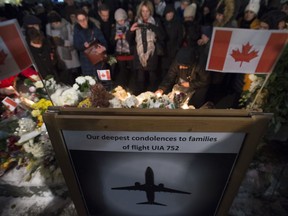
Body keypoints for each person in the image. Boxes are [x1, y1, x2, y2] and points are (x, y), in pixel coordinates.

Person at [127, 0, 166, 94]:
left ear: (150, 11)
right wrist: (131, 31)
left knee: (153, 78)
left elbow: (163, 36)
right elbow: (129, 40)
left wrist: (151, 26)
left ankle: (152, 100)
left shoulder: (156, 21)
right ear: (140, 11)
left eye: (147, 11)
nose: (145, 13)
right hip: (139, 54)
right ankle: (140, 101)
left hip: (151, 54)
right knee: (140, 79)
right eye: (143, 11)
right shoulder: (136, 21)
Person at [46, 11, 81, 85]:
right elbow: (49, 40)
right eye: (53, 24)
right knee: (66, 73)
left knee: (74, 72)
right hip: (59, 53)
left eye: (57, 23)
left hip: (70, 52)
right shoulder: (49, 27)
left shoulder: (67, 25)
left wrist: (63, 42)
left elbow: (72, 39)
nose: (55, 25)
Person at [73, 9, 107, 77]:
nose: (83, 22)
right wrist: (83, 46)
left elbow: (103, 41)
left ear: (87, 18)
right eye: (80, 20)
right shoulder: (77, 30)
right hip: (86, 61)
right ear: (77, 21)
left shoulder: (94, 28)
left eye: (84, 19)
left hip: (99, 59)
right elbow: (76, 45)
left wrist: (103, 47)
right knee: (90, 82)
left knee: (103, 80)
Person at [111, 8, 133, 88]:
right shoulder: (115, 28)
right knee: (122, 72)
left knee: (131, 72)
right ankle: (123, 88)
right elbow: (111, 42)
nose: (121, 22)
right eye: (119, 21)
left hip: (130, 52)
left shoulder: (130, 26)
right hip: (119, 53)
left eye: (122, 20)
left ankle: (131, 87)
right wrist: (115, 38)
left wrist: (126, 36)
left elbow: (133, 39)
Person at [161, 4, 184, 80]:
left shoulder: (177, 23)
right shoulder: (162, 23)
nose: (170, 14)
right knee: (164, 69)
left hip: (174, 50)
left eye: (172, 12)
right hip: (164, 50)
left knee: (173, 70)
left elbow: (180, 37)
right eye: (168, 12)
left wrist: (177, 47)